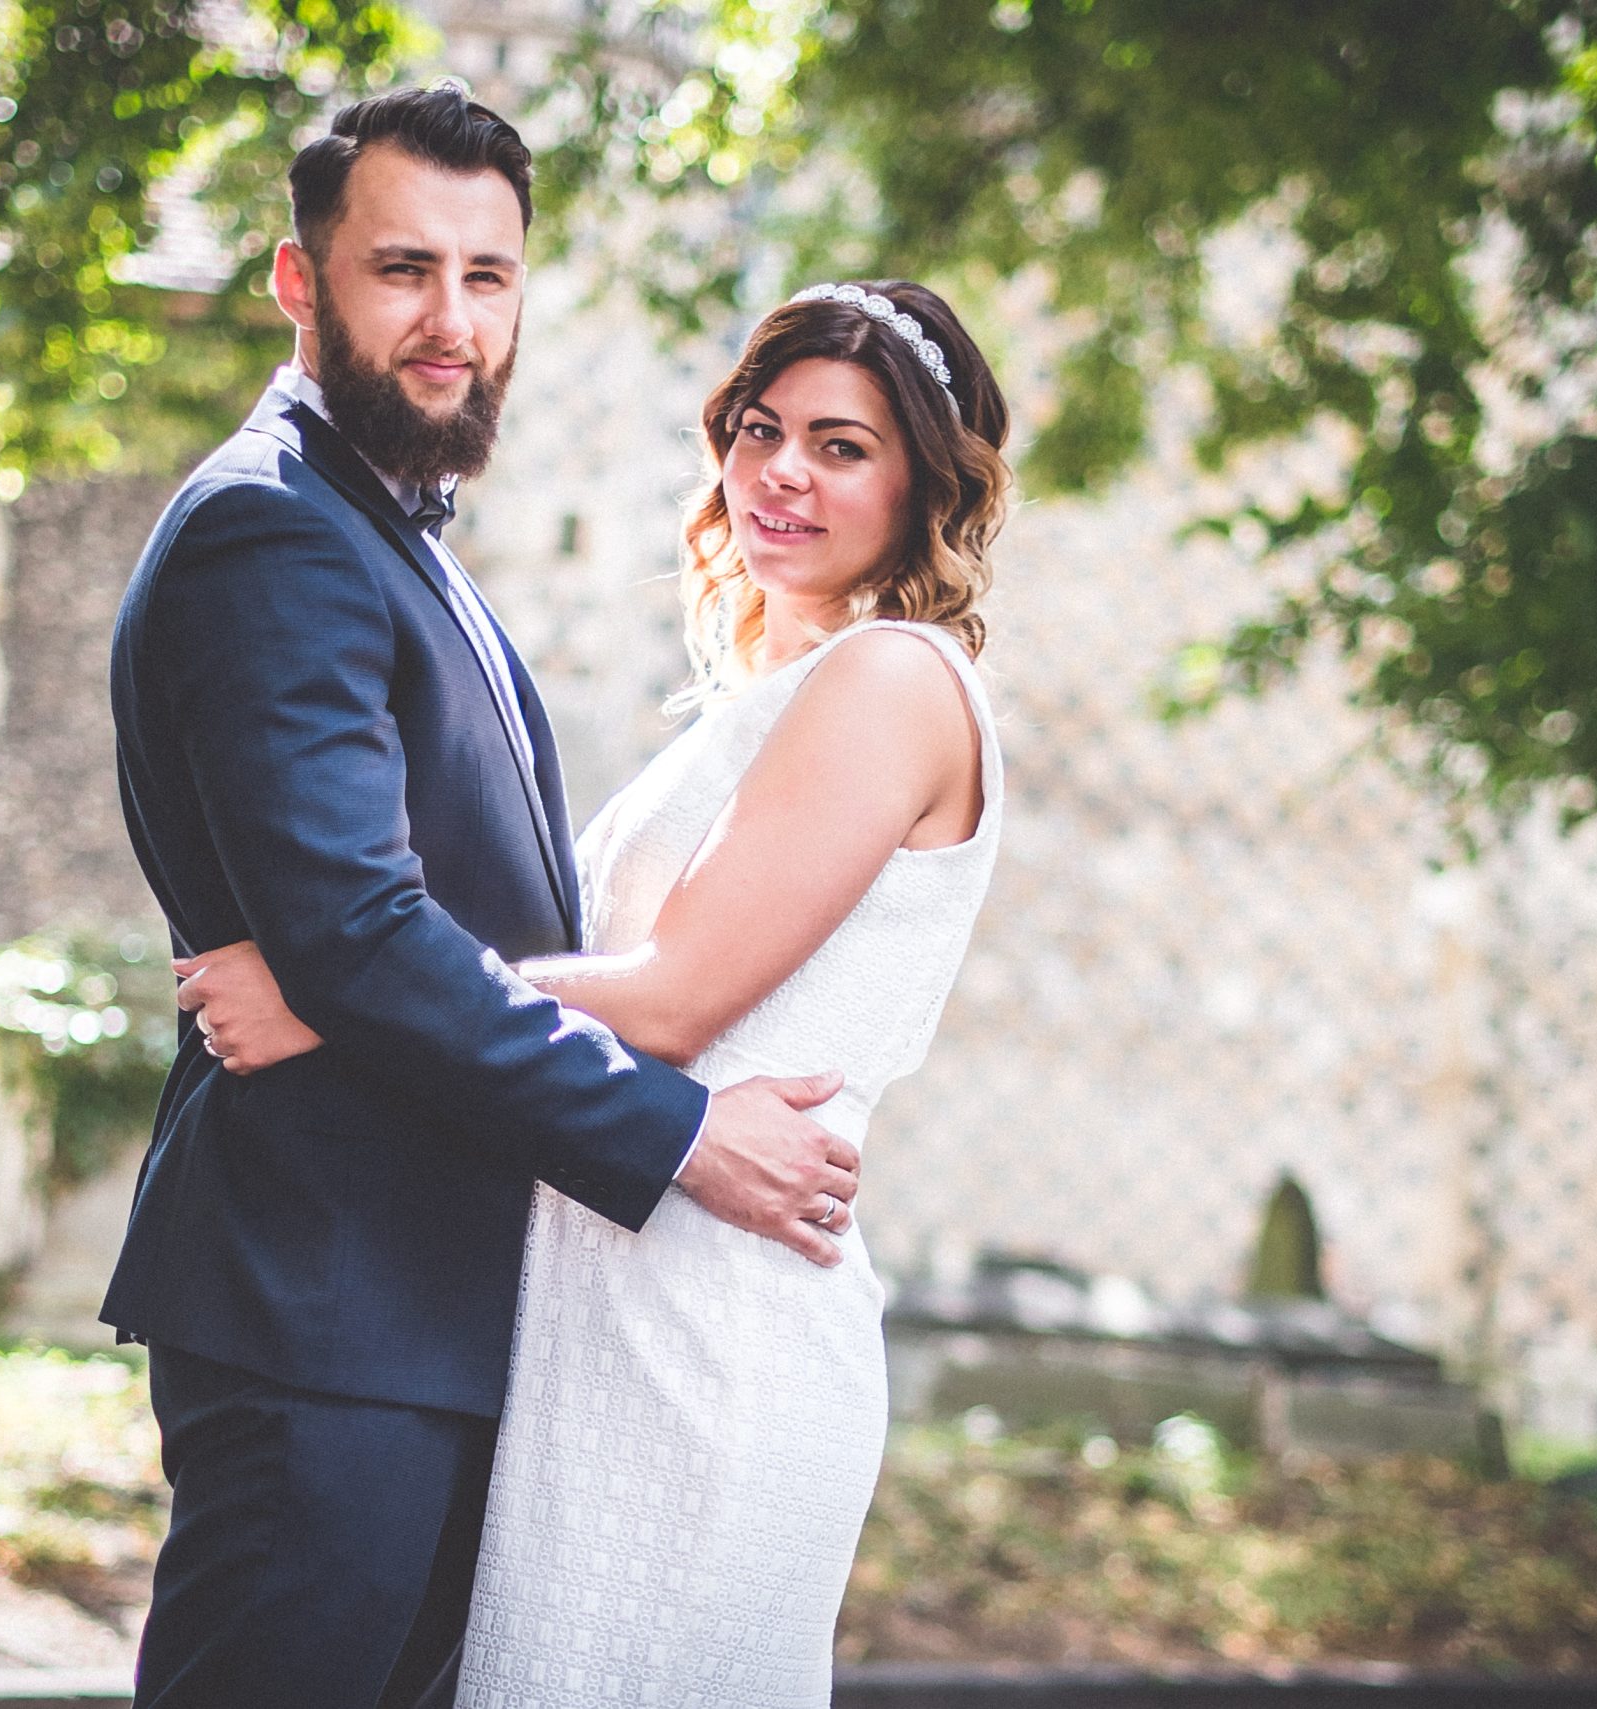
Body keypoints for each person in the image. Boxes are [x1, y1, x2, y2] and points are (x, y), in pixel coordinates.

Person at [100, 87, 866, 1709]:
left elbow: (391, 941)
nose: (452, 320)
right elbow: (359, 931)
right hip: (329, 1320)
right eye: (404, 270)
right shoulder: (272, 531)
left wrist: (326, 984)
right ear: (300, 281)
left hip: (423, 1323)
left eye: (488, 276)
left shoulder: (393, 535)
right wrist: (680, 1132)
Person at [180, 271, 1014, 1703]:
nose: (782, 473)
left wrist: (329, 992)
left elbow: (674, 998)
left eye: (842, 446)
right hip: (608, 1307)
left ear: (926, 484)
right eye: (761, 429)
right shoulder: (770, 695)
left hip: (719, 1324)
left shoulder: (891, 682)